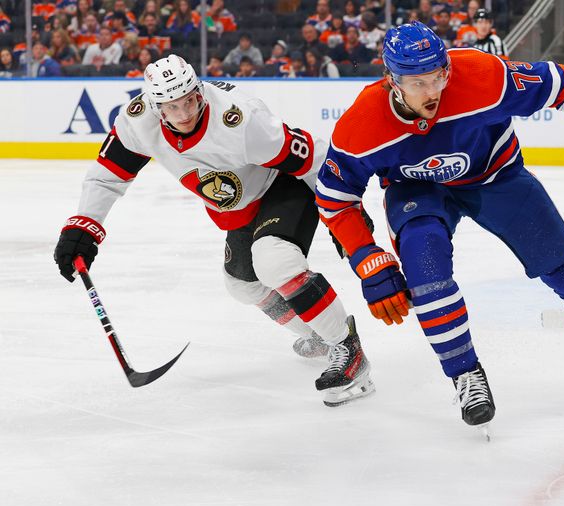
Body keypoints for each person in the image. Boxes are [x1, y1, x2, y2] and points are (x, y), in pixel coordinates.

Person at [315, 22, 564, 431]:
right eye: (418, 82)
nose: (433, 91)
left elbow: (562, 84)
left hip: (497, 177)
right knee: (426, 274)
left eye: (438, 76)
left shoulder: (482, 75)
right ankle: (465, 374)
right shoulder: (362, 124)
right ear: (392, 80)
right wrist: (365, 255)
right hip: (418, 190)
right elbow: (334, 197)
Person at [53, 55, 375, 407]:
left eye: (190, 99)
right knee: (243, 285)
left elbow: (313, 156)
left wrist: (344, 210)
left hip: (282, 185)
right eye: (173, 106)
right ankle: (317, 333)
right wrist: (84, 226)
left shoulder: (240, 120)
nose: (185, 112)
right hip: (239, 207)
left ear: (199, 90)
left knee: (274, 261)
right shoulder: (138, 120)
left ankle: (347, 347)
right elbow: (108, 174)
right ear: (157, 107)